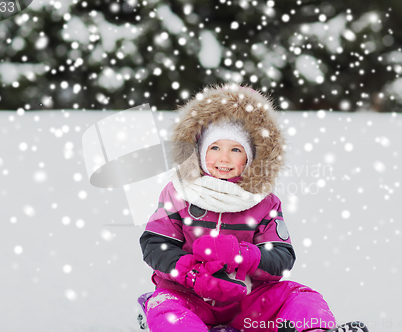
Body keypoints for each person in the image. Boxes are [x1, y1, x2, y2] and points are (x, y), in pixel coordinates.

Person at [139, 84, 368, 332]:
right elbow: (154, 244)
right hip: (190, 295)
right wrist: (192, 272)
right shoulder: (179, 192)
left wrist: (243, 255)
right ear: (200, 150)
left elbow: (281, 258)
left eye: (235, 150)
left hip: (247, 303)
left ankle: (313, 330)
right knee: (165, 306)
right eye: (215, 148)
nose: (224, 158)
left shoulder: (263, 201)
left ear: (250, 157)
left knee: (299, 295)